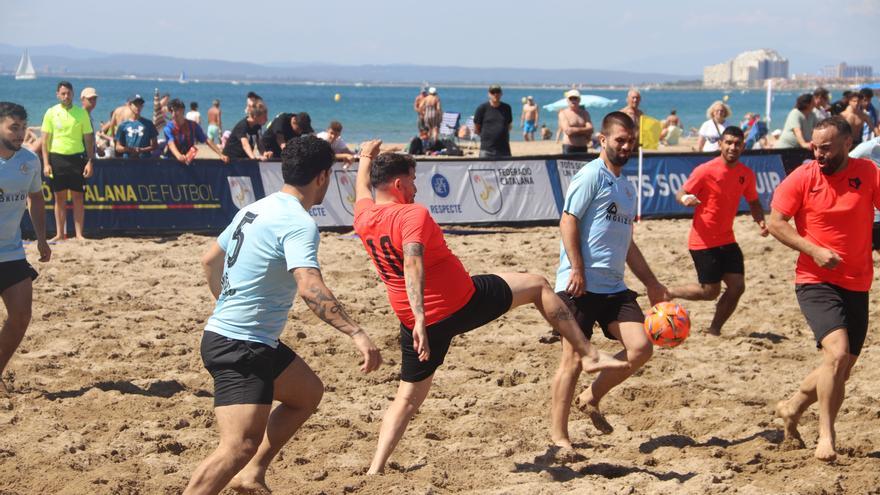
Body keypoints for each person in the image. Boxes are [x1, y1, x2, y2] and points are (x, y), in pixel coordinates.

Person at [352, 140, 628, 473]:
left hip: (413, 321)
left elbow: (361, 185)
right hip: (459, 303)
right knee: (539, 285)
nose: (416, 187)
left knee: (407, 399)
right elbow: (413, 264)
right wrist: (423, 317)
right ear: (398, 185)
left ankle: (375, 468)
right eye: (412, 179)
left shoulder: (363, 213)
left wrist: (366, 156)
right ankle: (588, 353)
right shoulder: (412, 213)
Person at [183, 135, 382, 494]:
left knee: (307, 393)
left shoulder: (256, 208)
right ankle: (240, 469)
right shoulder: (298, 222)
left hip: (242, 338)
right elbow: (309, 286)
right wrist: (355, 332)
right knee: (238, 446)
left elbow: (209, 259)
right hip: (241, 346)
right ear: (322, 177)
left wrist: (224, 300)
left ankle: (252, 474)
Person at [550, 111, 669, 448]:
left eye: (631, 141)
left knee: (641, 347)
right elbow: (568, 221)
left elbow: (627, 242)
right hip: (580, 285)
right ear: (602, 140)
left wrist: (651, 282)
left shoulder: (626, 187)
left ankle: (590, 397)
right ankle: (559, 436)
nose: (626, 146)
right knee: (571, 360)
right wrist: (576, 268)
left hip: (614, 287)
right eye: (620, 140)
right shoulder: (591, 176)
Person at [768, 116, 880, 462]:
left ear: (848, 143)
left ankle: (793, 406)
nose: (819, 154)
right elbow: (775, 223)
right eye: (815, 147)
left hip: (858, 281)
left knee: (841, 366)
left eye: (827, 148)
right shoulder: (803, 177)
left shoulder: (869, 173)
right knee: (836, 353)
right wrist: (813, 250)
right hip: (815, 281)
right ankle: (826, 437)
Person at [667, 126, 767, 336]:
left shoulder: (745, 174)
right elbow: (681, 192)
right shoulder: (705, 170)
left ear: (743, 146)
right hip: (702, 241)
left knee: (737, 286)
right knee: (709, 292)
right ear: (720, 144)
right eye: (728, 142)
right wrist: (686, 199)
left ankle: (714, 330)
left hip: (727, 240)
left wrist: (760, 221)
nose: (733, 147)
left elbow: (754, 201)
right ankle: (669, 292)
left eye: (737, 144)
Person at [0, 102, 51, 396]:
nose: (20, 133)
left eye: (23, 128)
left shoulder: (29, 161)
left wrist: (42, 238)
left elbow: (37, 198)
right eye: (13, 127)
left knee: (20, 318)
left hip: (12, 252)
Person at [41, 81, 94, 241]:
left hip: (77, 158)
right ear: (58, 94)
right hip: (57, 158)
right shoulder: (51, 112)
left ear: (73, 94)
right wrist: (46, 163)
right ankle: (59, 234)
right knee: (59, 198)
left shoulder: (81, 113)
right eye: (63, 93)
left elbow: (89, 139)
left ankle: (79, 234)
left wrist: (90, 161)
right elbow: (44, 141)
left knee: (78, 197)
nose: (66, 96)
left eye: (68, 93)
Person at [163, 99, 228, 164]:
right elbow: (171, 143)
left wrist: (221, 154)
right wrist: (179, 156)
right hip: (171, 161)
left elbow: (207, 140)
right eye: (171, 111)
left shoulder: (193, 126)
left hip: (188, 161)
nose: (173, 113)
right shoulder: (168, 128)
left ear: (182, 110)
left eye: (176, 110)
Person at [473, 84, 513, 158]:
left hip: (504, 150)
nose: (495, 94)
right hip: (487, 150)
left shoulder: (507, 108)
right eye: (493, 92)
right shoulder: (482, 108)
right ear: (489, 94)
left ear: (501, 94)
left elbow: (509, 126)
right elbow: (476, 129)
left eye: (497, 92)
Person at [114, 94, 158, 159]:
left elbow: (155, 145)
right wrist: (129, 149)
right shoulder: (123, 125)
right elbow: (117, 147)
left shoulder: (149, 124)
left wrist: (142, 150)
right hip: (128, 161)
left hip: (145, 161)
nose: (138, 107)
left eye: (140, 104)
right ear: (129, 105)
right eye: (136, 104)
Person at [79, 87, 111, 158]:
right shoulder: (81, 116)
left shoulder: (88, 115)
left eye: (94, 99)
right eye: (90, 99)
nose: (93, 101)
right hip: (83, 155)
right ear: (82, 100)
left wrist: (97, 149)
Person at [557, 89, 592, 154]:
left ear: (579, 100)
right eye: (571, 99)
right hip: (569, 147)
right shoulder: (563, 113)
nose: (573, 101)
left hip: (583, 147)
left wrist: (574, 130)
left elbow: (590, 129)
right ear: (567, 100)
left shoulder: (585, 113)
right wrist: (584, 131)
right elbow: (568, 131)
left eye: (575, 98)